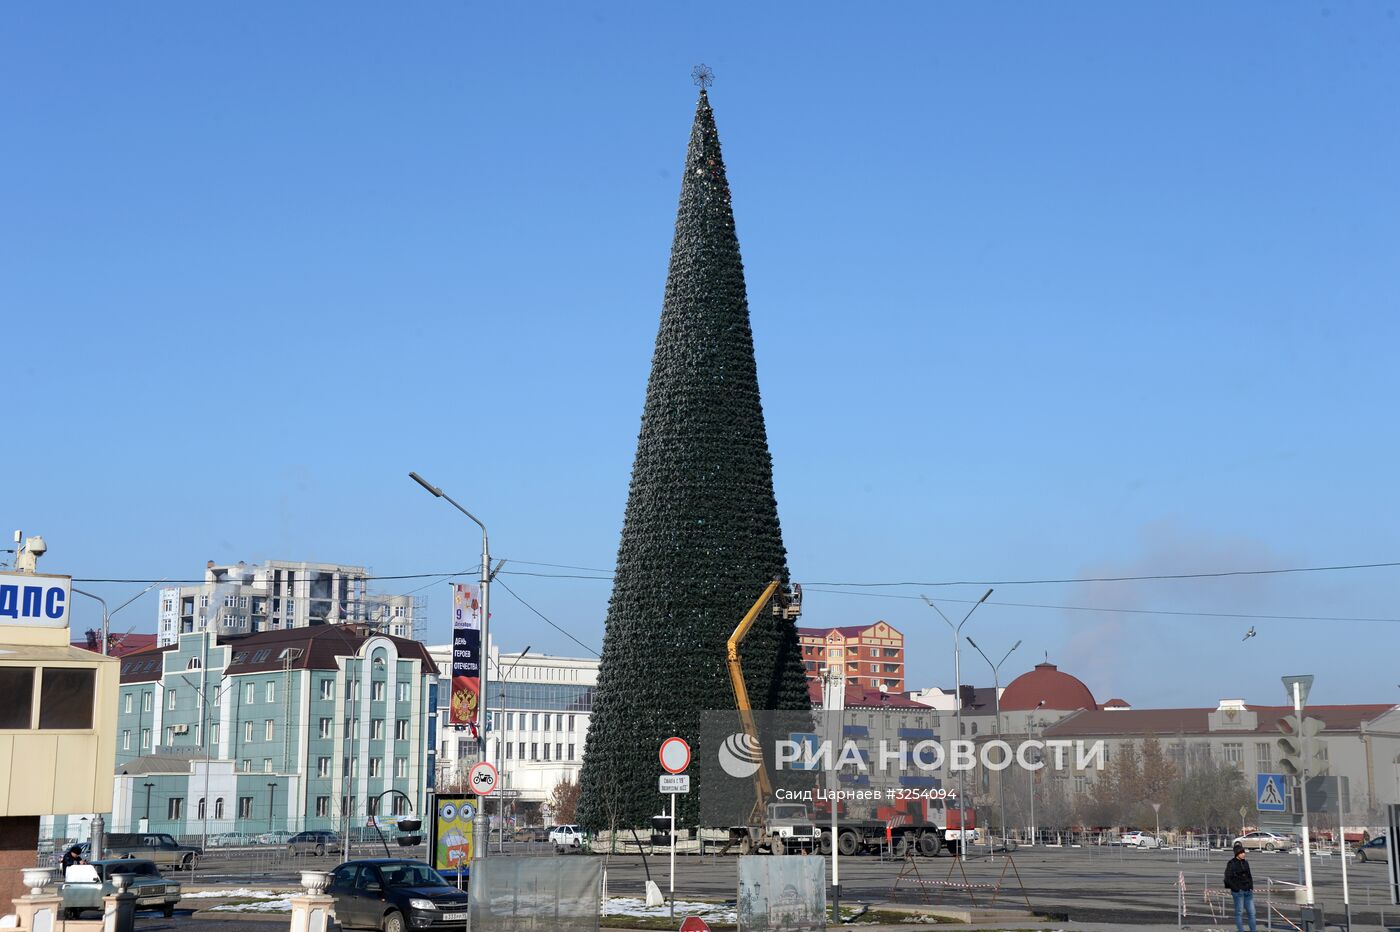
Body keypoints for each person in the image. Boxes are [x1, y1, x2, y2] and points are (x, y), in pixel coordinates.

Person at [1224, 841, 1257, 932]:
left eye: (1244, 852)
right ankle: (1241, 930)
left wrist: (1251, 887)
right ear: (1237, 853)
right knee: (1239, 912)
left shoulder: (1246, 863)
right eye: (1241, 853)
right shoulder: (1231, 863)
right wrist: (1236, 888)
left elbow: (1249, 875)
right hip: (1238, 892)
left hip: (1248, 891)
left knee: (1252, 913)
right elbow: (1227, 878)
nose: (1243, 854)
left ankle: (1253, 930)